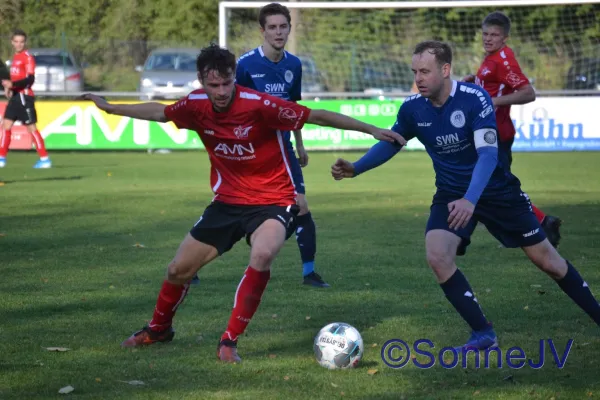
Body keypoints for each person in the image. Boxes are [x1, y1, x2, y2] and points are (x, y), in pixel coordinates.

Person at [80, 43, 405, 363]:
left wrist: (371, 129)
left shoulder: (259, 104)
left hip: (274, 200)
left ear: (234, 76)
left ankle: (229, 341)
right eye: (214, 85)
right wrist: (112, 109)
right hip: (227, 202)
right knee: (178, 270)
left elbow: (316, 116)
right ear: (201, 81)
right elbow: (160, 112)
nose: (222, 91)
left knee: (263, 253)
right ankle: (158, 330)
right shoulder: (194, 105)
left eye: (227, 83)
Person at [332, 41, 600, 350]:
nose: (418, 78)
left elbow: (488, 155)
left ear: (445, 70)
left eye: (425, 71)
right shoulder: (412, 108)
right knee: (437, 255)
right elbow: (393, 141)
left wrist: (471, 199)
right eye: (415, 72)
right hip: (451, 193)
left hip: (496, 191)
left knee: (548, 262)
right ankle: (483, 334)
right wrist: (356, 168)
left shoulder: (475, 99)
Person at [231, 2, 328, 288]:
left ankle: (309, 273)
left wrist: (300, 144)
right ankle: (199, 256)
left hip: (283, 149)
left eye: (283, 26)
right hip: (251, 151)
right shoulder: (245, 65)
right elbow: (233, 107)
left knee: (301, 205)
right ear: (262, 31)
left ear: (289, 28)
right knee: (234, 208)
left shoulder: (294, 64)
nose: (278, 32)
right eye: (272, 27)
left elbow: (293, 108)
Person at [463, 11, 561, 247]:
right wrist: (475, 81)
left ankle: (542, 223)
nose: (488, 38)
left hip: (497, 134)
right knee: (483, 184)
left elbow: (528, 93)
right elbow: (495, 85)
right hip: (487, 133)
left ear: (505, 37)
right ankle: (461, 236)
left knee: (496, 187)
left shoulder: (503, 60)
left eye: (494, 35)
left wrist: (494, 101)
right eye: (485, 34)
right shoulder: (492, 58)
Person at [0, 29, 51, 169]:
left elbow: (30, 79)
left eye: (21, 42)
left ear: (25, 42)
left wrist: (13, 85)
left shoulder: (28, 57)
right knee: (6, 125)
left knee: (31, 128)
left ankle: (45, 159)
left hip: (24, 97)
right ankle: (2, 158)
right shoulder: (16, 57)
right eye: (16, 41)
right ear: (12, 42)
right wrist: (9, 88)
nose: (19, 44)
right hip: (15, 96)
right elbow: (15, 78)